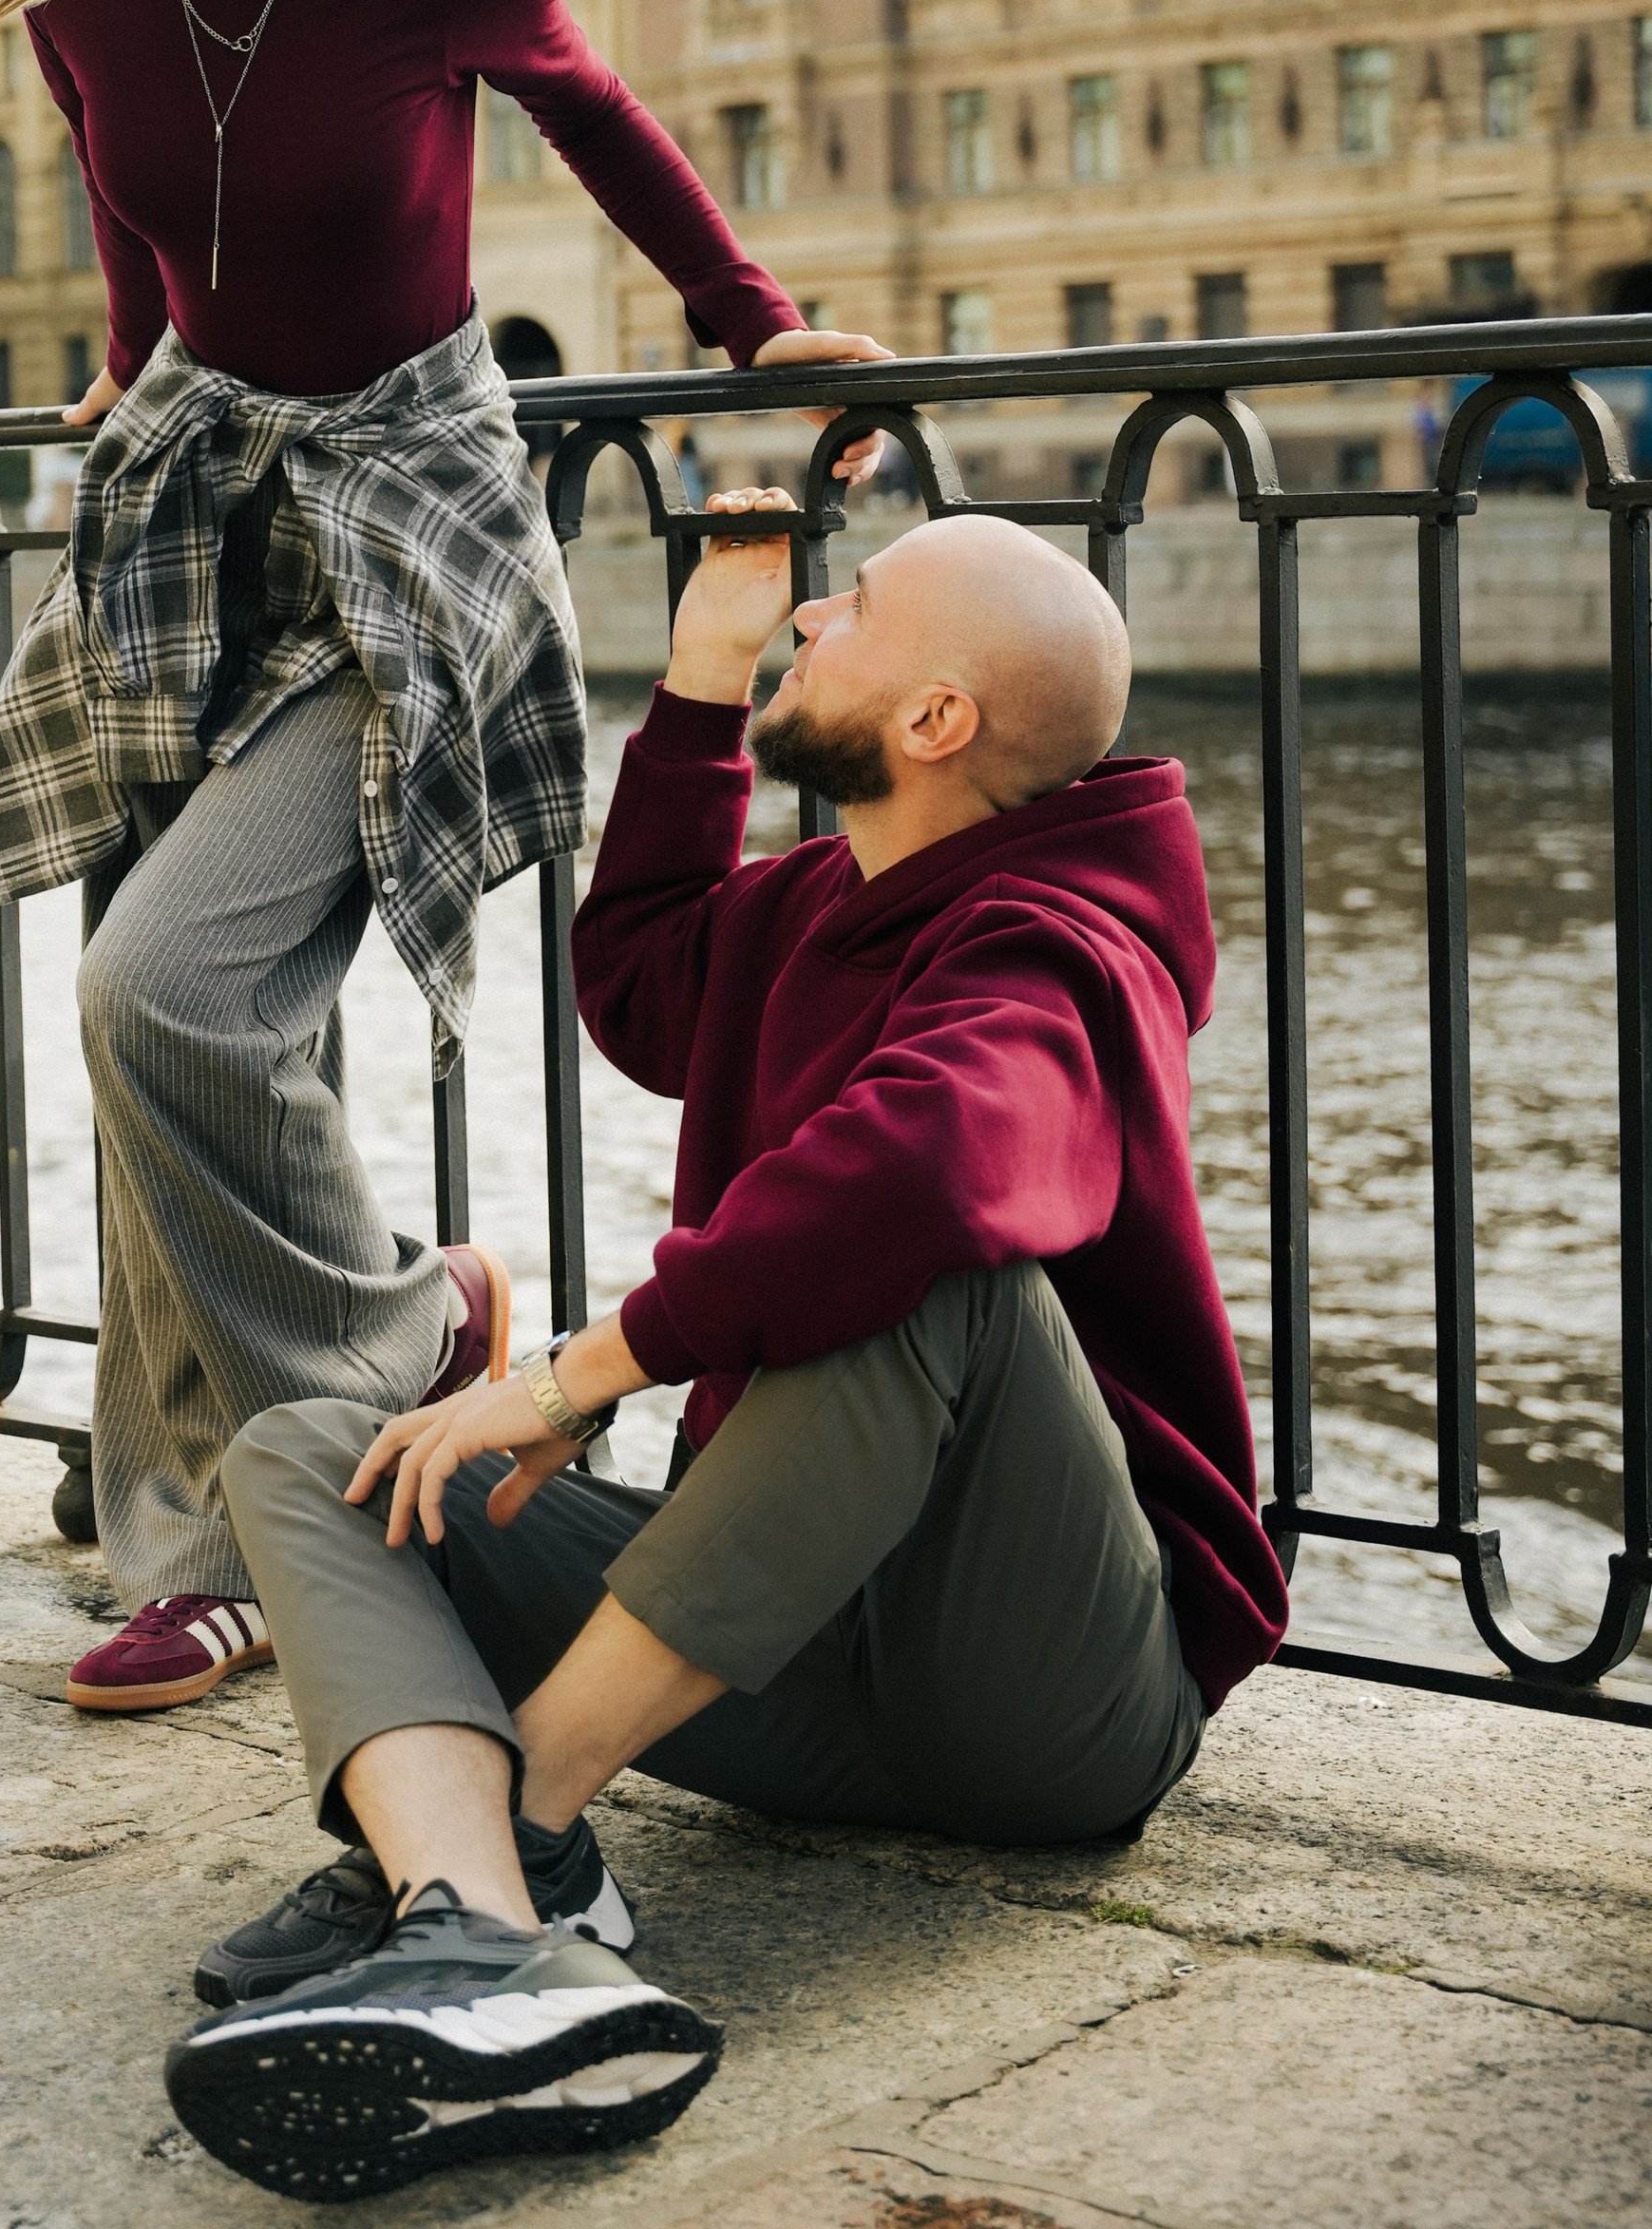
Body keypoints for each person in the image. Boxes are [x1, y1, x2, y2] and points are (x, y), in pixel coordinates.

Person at [0, 0, 883, 1713]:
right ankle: (203, 1539)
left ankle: (398, 1350)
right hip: (198, 520)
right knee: (141, 1022)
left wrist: (756, 324)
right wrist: (132, 350)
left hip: (410, 532)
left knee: (169, 990)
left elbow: (593, 115)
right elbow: (129, 184)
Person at [167, 502, 1288, 2202]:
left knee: (932, 1266)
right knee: (317, 1453)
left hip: (1045, 1696)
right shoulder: (821, 903)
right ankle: (483, 1922)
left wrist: (575, 1372)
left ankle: (521, 1818)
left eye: (858, 606)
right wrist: (705, 673)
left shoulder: (1071, 949)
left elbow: (926, 1170)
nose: (818, 611)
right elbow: (638, 979)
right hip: (789, 1665)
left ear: (935, 723)